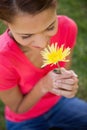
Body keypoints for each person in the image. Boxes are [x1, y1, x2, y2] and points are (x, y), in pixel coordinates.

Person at [0, 0, 87, 130]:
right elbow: (18, 108)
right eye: (26, 36)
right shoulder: (3, 58)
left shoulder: (67, 28)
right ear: (6, 23)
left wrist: (66, 83)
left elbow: (64, 69)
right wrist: (44, 85)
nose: (42, 44)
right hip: (25, 119)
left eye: (50, 27)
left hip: (58, 103)